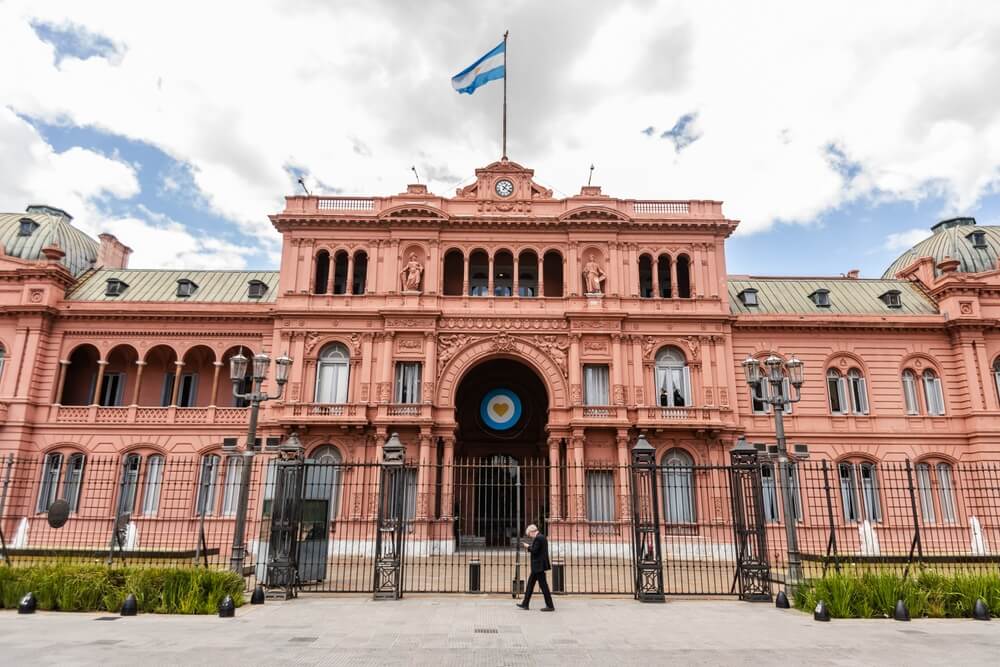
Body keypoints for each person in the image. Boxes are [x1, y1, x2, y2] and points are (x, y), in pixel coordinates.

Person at [516, 524, 554, 611]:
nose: (530, 536)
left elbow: (534, 550)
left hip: (538, 566)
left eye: (529, 534)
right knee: (530, 584)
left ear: (532, 531)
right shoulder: (542, 537)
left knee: (543, 586)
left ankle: (550, 606)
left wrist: (528, 547)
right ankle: (525, 604)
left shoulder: (538, 538)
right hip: (538, 566)